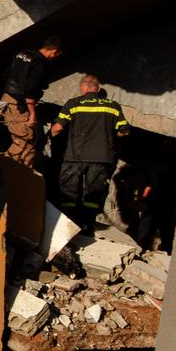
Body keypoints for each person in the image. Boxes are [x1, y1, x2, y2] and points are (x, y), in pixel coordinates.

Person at [49, 74, 130, 233]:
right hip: (101, 158)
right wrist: (109, 137)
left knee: (68, 193)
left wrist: (49, 136)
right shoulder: (112, 106)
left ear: (82, 88)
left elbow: (57, 128)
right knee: (92, 195)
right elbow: (124, 131)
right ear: (98, 89)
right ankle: (86, 225)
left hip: (74, 157)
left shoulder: (74, 104)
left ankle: (67, 226)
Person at [1, 36, 63, 169]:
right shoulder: (40, 63)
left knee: (22, 141)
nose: (54, 58)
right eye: (56, 55)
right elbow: (30, 90)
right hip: (20, 104)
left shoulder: (23, 54)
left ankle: (9, 171)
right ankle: (1, 171)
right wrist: (32, 113)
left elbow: (6, 75)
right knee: (25, 143)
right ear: (54, 51)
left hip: (6, 98)